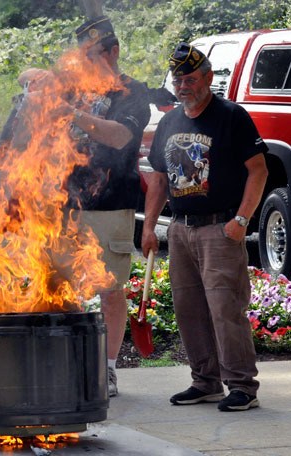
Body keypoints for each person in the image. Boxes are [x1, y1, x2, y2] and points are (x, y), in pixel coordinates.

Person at [141, 42, 267, 412]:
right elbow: (160, 181)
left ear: (208, 78)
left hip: (220, 228)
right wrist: (149, 228)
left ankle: (242, 386)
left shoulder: (231, 116)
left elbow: (258, 170)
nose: (184, 86)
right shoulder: (169, 121)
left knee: (225, 308)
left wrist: (241, 220)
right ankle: (205, 381)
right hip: (180, 229)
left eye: (191, 78)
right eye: (179, 79)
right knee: (188, 308)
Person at [65, 16, 151, 397]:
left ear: (113, 52)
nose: (85, 64)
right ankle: (66, 361)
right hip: (67, 203)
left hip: (113, 205)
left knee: (110, 289)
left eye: (93, 55)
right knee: (60, 285)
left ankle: (110, 368)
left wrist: (74, 115)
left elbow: (118, 137)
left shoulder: (133, 93)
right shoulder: (76, 89)